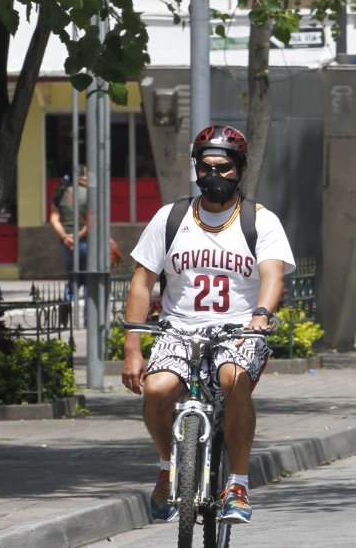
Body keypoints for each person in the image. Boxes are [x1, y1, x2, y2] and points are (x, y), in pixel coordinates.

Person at [120, 125, 294, 526]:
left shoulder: (260, 221)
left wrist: (260, 316)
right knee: (157, 390)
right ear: (195, 168)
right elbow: (142, 282)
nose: (214, 175)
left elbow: (272, 275)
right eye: (205, 167)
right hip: (178, 328)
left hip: (238, 329)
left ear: (241, 170)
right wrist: (132, 347)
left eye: (224, 167)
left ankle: (237, 484)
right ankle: (167, 470)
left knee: (233, 380)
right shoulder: (170, 218)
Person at [48, 165, 88, 302]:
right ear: (83, 177)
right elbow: (93, 221)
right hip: (86, 241)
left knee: (73, 277)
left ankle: (68, 305)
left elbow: (54, 219)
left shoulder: (61, 193)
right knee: (89, 279)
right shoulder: (90, 194)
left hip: (67, 244)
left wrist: (65, 237)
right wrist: (78, 236)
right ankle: (90, 314)